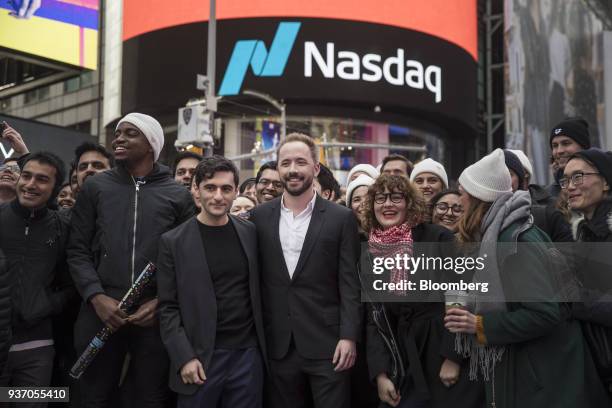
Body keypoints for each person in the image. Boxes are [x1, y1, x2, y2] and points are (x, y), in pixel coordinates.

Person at [445, 148, 609, 407]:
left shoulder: (516, 241)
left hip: (547, 380)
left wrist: (479, 325)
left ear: (479, 198)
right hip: (535, 373)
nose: (458, 201)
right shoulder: (501, 235)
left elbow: (544, 313)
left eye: (463, 194)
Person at [68, 112, 194, 407]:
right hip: (99, 312)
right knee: (91, 396)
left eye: (129, 133)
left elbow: (187, 262)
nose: (118, 139)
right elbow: (77, 250)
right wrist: (96, 297)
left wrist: (161, 303)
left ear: (151, 144)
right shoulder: (96, 188)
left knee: (148, 398)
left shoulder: (178, 195)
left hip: (152, 318)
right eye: (118, 133)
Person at [249, 133, 361, 408]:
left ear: (316, 167)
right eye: (285, 163)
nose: (293, 169)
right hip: (279, 345)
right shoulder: (260, 217)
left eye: (301, 162)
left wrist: (348, 336)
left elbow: (350, 283)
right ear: (278, 169)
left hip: (329, 345)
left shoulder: (341, 218)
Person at [362, 174, 482, 408]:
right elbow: (374, 319)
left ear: (410, 203)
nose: (387, 204)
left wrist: (453, 356)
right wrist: (381, 374)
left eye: (396, 198)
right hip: (400, 355)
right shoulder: (369, 252)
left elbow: (460, 294)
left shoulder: (437, 238)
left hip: (440, 347)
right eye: (380, 198)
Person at [158, 156, 268, 408]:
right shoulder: (173, 242)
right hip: (200, 358)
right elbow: (167, 307)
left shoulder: (249, 232)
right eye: (210, 187)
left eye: (226, 189)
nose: (218, 196)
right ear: (196, 189)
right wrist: (184, 357)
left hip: (247, 356)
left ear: (236, 191)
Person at [0, 152, 75, 400]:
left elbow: (71, 283)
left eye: (42, 179)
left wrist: (45, 304)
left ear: (54, 188)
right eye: (27, 176)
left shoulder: (62, 227)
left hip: (37, 350)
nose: (31, 184)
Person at [563, 149, 612, 395]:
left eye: (578, 177)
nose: (570, 186)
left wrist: (571, 298)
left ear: (605, 182)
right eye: (566, 179)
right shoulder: (581, 233)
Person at [548, 117, 590, 198]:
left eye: (566, 143)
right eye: (555, 146)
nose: (559, 151)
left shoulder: (601, 186)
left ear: (583, 146)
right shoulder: (547, 196)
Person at [346, 174, 374, 241]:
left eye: (368, 198)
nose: (363, 204)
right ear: (350, 206)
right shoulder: (344, 236)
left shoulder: (390, 234)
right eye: (357, 200)